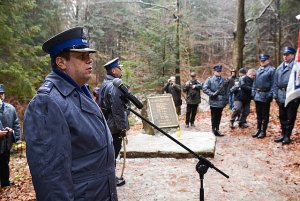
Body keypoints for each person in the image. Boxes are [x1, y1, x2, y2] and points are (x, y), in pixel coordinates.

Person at [23, 27, 117, 200]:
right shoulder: (47, 102)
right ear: (61, 62)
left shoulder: (79, 91)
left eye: (89, 56)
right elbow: (50, 179)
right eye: (82, 57)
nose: (89, 61)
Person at [98, 57, 129, 187]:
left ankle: (109, 177)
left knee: (110, 152)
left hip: (107, 124)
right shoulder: (114, 86)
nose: (121, 70)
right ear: (114, 70)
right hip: (114, 126)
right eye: (119, 68)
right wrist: (122, 128)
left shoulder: (105, 84)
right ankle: (111, 178)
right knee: (113, 152)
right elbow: (117, 109)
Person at [273, 47, 299, 144]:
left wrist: (297, 96)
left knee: (290, 116)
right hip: (281, 95)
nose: (285, 56)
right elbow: (275, 82)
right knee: (282, 116)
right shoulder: (279, 67)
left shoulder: (296, 67)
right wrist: (275, 95)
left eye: (287, 55)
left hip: (292, 95)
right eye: (284, 54)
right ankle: (283, 134)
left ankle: (288, 136)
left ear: (293, 55)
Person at [0, 84, 21, 188]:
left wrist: (17, 138)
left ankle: (4, 183)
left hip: (6, 143)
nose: (0, 96)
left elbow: (16, 124)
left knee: (5, 162)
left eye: (1, 94)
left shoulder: (11, 108)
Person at [252, 54, 275, 139]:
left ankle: (263, 131)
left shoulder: (271, 70)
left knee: (265, 114)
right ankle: (258, 129)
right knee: (258, 114)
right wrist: (253, 92)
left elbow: (273, 83)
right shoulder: (258, 70)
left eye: (264, 61)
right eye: (261, 61)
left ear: (268, 61)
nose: (262, 62)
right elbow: (254, 83)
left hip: (266, 94)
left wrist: (270, 94)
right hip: (257, 95)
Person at [203, 65, 229, 136]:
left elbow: (227, 91)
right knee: (214, 116)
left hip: (221, 101)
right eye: (217, 71)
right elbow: (205, 88)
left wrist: (226, 100)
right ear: (214, 71)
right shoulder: (210, 79)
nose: (219, 72)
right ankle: (213, 129)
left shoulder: (223, 80)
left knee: (219, 116)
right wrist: (211, 94)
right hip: (214, 100)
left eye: (220, 71)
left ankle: (217, 129)